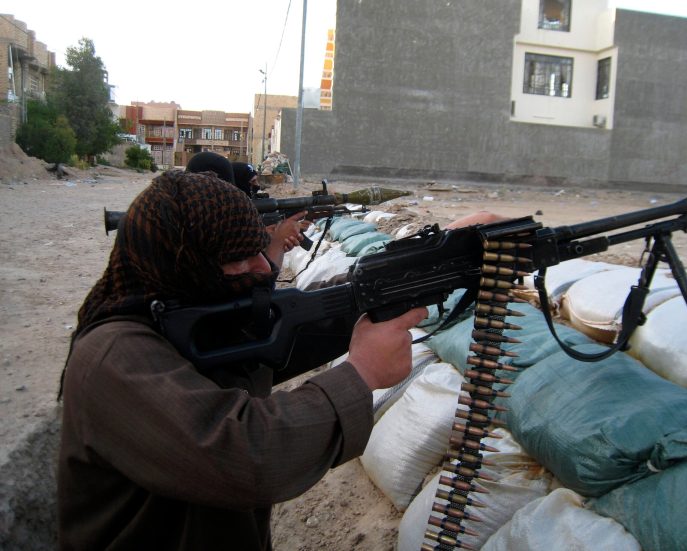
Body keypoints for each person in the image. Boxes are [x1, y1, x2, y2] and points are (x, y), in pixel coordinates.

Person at [56, 169, 427, 550]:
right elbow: (244, 455)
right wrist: (361, 374)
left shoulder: (187, 322)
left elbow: (284, 339)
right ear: (188, 263)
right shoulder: (114, 355)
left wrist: (380, 287)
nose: (265, 268)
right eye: (241, 257)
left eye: (258, 250)